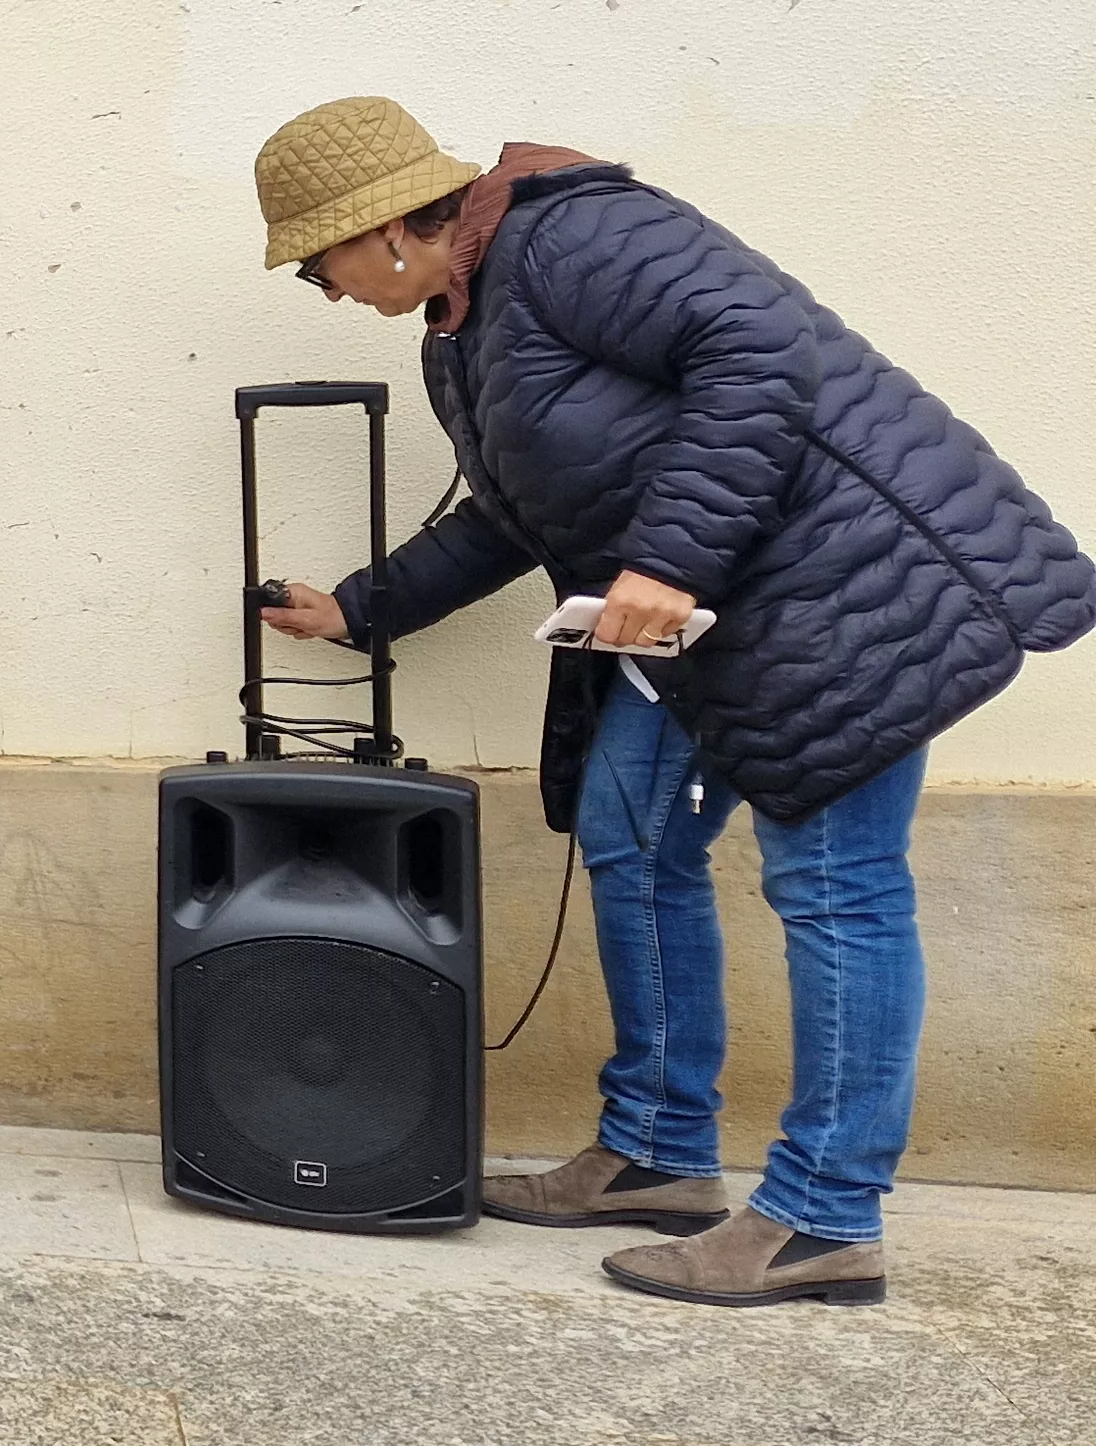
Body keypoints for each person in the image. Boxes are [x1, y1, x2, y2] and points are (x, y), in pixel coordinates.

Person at [252, 96, 1091, 1308]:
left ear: (381, 227)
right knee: (632, 839)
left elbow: (761, 355)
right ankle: (654, 1150)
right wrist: (360, 605)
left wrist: (665, 567)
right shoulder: (469, 326)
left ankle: (822, 1216)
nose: (326, 292)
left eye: (317, 265)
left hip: (851, 594)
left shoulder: (574, 238)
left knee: (835, 885)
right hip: (715, 620)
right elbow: (516, 515)